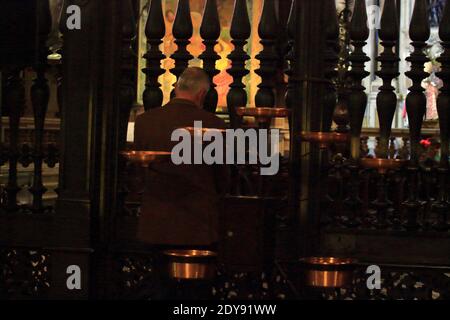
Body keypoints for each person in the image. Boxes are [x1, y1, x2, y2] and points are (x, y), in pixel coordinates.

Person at [134, 67, 227, 248]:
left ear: (176, 88)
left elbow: (139, 168)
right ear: (202, 94)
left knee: (158, 272)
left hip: (156, 218)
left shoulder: (145, 121)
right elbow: (221, 175)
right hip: (197, 222)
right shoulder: (214, 124)